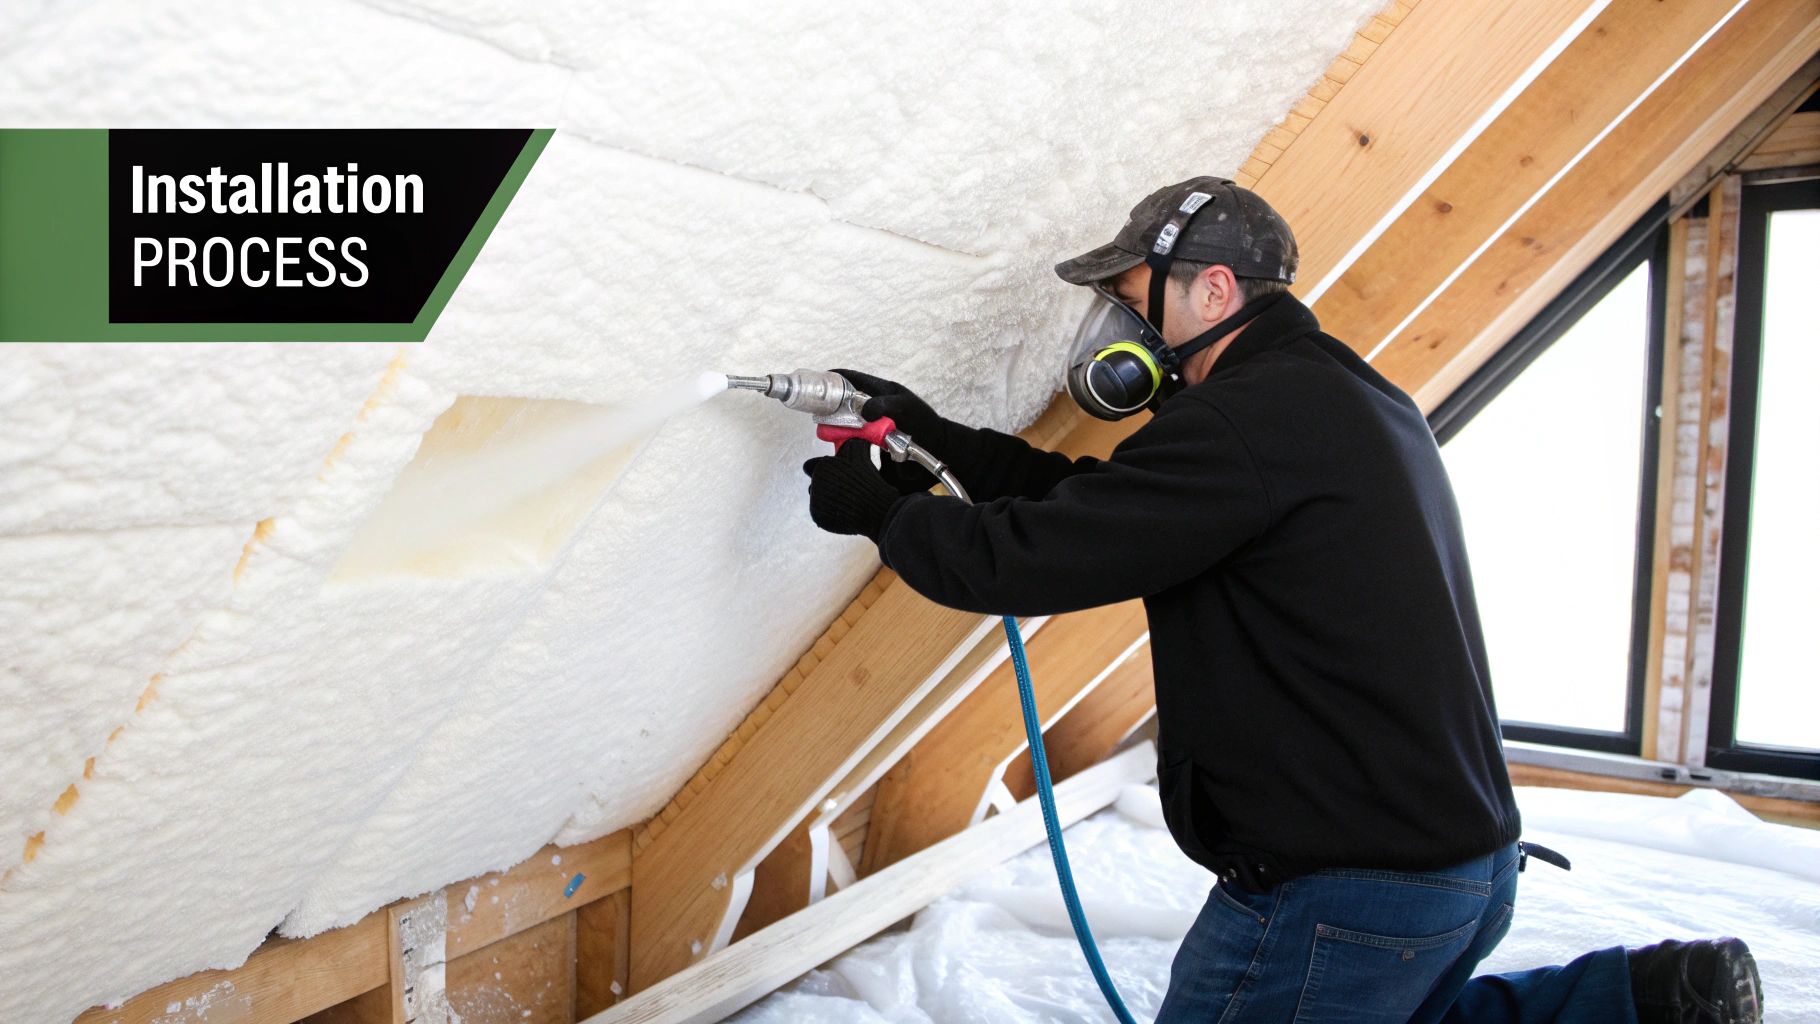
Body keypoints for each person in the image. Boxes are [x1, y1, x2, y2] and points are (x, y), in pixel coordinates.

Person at [799, 176, 1763, 1023]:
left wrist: (886, 514)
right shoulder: (1330, 395)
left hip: (1351, 888)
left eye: (1134, 300)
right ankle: (1642, 1003)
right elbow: (1099, 506)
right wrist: (929, 436)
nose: (1119, 329)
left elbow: (1028, 559)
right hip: (1456, 867)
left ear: (1212, 288)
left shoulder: (1246, 421)